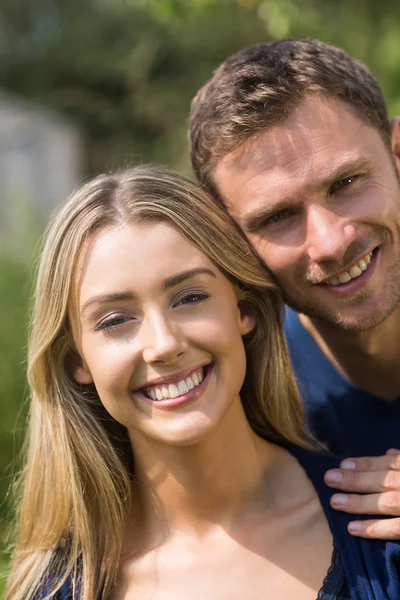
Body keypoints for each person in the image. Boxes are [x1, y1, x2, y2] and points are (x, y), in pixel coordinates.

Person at [5, 166, 400, 600]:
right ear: (77, 360)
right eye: (116, 320)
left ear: (243, 309)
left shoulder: (384, 532)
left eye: (190, 298)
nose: (164, 344)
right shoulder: (53, 590)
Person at [188, 38, 400, 539]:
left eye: (346, 182)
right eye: (279, 216)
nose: (330, 243)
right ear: (227, 236)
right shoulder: (237, 409)